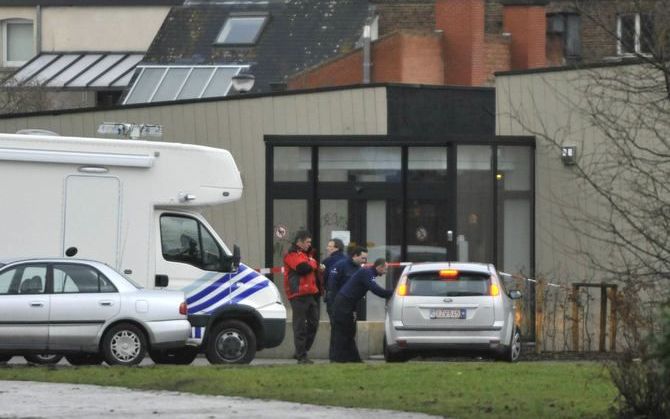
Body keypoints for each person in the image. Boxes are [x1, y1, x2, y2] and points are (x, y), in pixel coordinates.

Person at [331, 258, 393, 363]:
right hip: (343, 304)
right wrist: (393, 292)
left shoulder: (368, 273)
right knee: (343, 332)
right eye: (385, 269)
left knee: (350, 331)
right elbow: (376, 290)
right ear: (379, 267)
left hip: (347, 304)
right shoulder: (367, 273)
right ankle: (339, 359)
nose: (386, 272)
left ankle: (353, 359)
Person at [283, 230, 320, 364]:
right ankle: (301, 356)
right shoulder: (291, 254)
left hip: (310, 293)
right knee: (300, 326)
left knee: (314, 323)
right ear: (300, 241)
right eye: (307, 242)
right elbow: (302, 268)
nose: (309, 244)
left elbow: (308, 267)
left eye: (310, 242)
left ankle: (302, 350)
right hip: (297, 294)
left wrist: (311, 262)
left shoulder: (304, 255)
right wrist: (313, 263)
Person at [320, 238, 346, 303]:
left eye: (329, 246)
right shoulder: (348, 260)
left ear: (337, 248)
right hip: (346, 293)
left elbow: (324, 278)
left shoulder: (327, 261)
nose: (327, 248)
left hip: (332, 293)